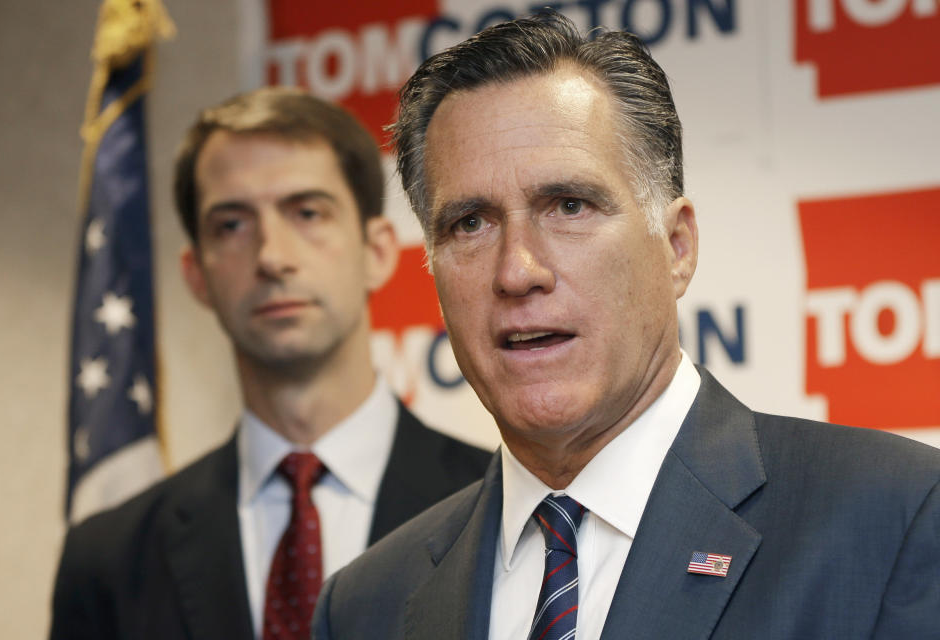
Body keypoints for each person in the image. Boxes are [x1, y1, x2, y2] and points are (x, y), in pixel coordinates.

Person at [312, 12, 940, 640]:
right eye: (470, 223)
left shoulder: (894, 515)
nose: (517, 271)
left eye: (569, 206)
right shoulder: (365, 605)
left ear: (676, 247)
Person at [49, 87, 492, 640]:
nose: (272, 257)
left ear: (378, 251)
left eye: (307, 212)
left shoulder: (504, 508)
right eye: (231, 225)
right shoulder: (108, 559)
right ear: (196, 275)